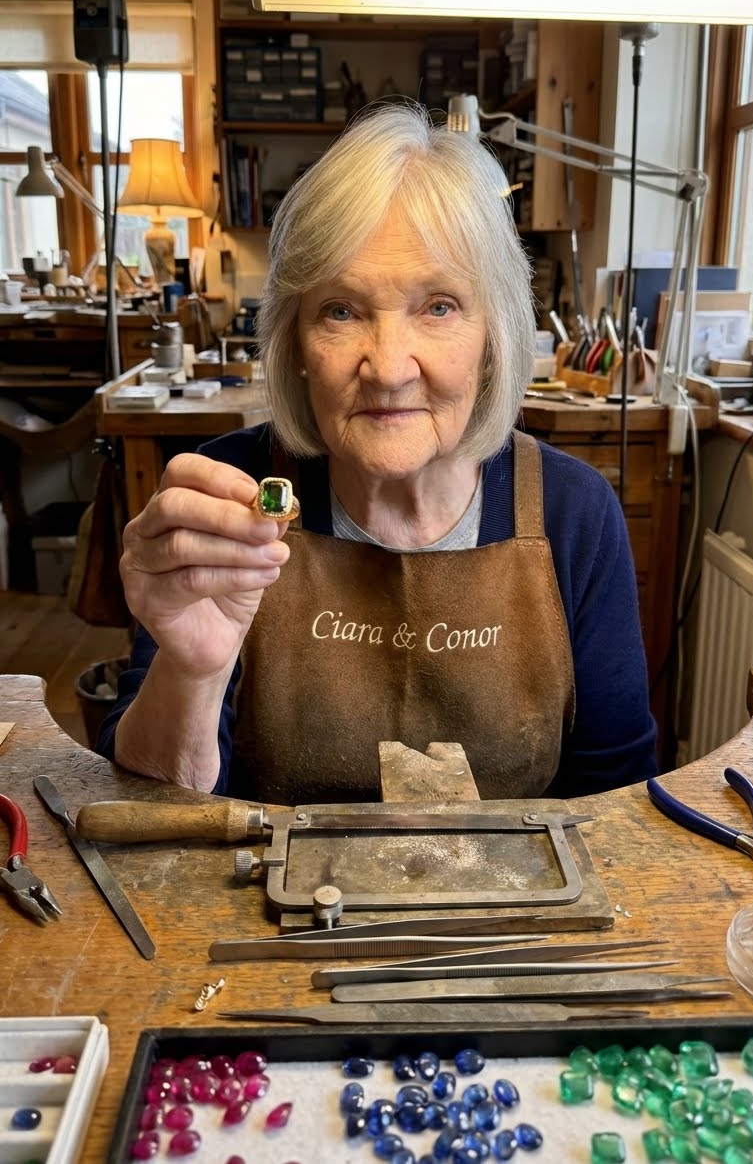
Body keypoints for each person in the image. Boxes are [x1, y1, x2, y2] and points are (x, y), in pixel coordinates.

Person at [99, 103, 657, 804]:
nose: (389, 368)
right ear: (296, 344)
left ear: (494, 338)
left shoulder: (575, 515)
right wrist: (192, 674)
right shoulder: (233, 495)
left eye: (439, 306)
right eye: (341, 310)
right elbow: (149, 812)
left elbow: (617, 799)